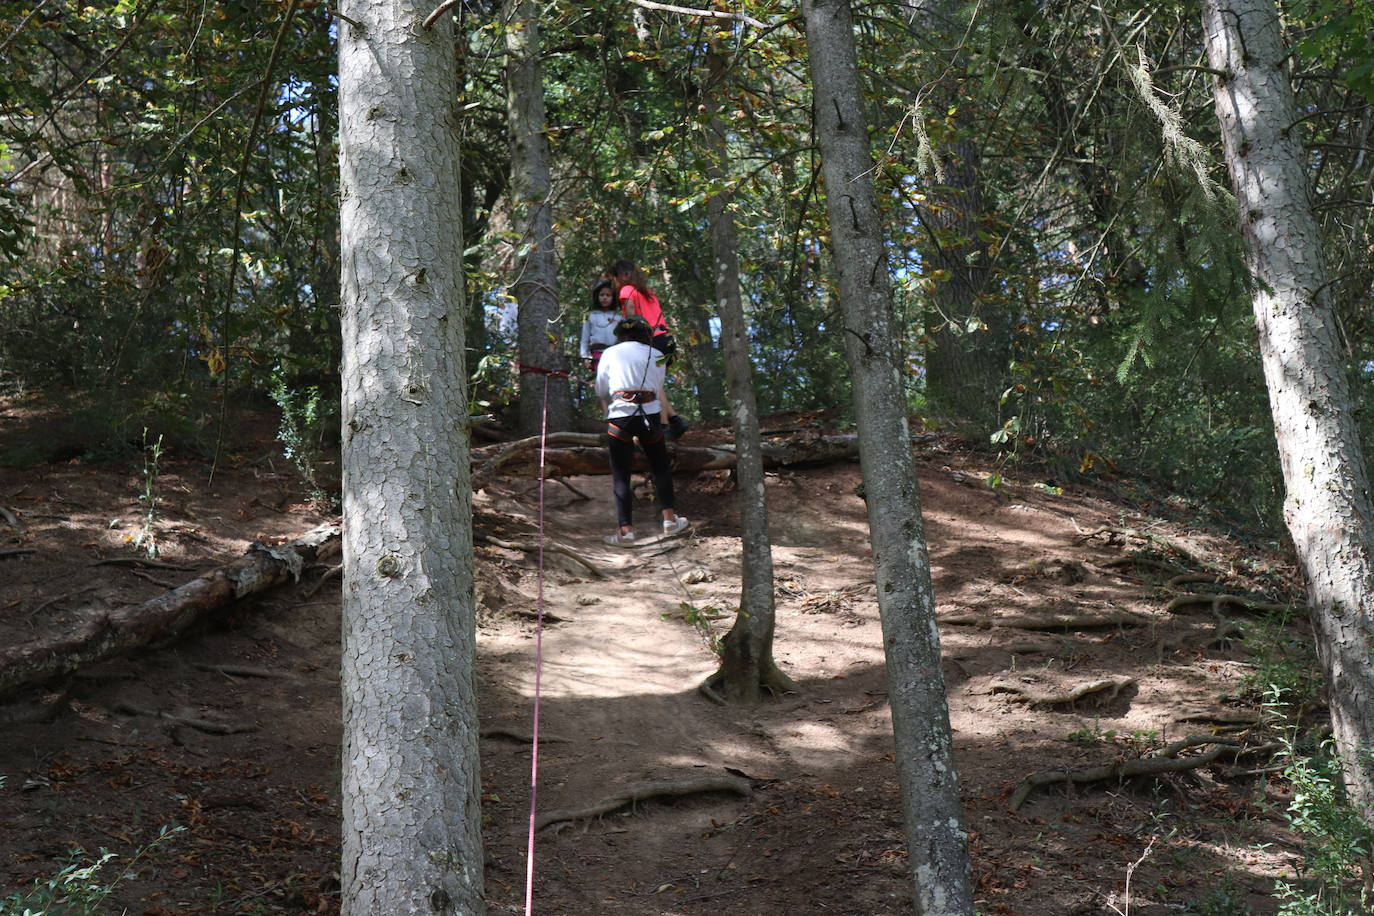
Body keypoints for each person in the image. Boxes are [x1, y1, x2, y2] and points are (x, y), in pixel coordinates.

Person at [595, 315, 690, 546]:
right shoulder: (657, 355)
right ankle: (669, 520)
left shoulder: (609, 353)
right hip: (650, 416)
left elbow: (601, 390)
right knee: (660, 468)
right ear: (645, 334)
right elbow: (657, 389)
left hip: (620, 418)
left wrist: (611, 406)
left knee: (621, 474)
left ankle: (627, 532)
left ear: (620, 334)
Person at [606, 259, 688, 439]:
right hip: (666, 339)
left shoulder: (627, 290)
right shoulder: (648, 293)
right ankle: (675, 421)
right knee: (657, 384)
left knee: (653, 386)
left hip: (652, 340)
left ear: (623, 275)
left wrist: (627, 334)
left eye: (616, 277)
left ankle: (664, 427)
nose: (616, 282)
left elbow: (630, 314)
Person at [580, 279, 620, 375]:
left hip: (617, 354)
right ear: (597, 297)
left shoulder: (619, 316)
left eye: (608, 295)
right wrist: (584, 356)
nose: (605, 298)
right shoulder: (591, 315)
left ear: (613, 297)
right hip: (598, 354)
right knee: (602, 379)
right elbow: (584, 339)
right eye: (602, 295)